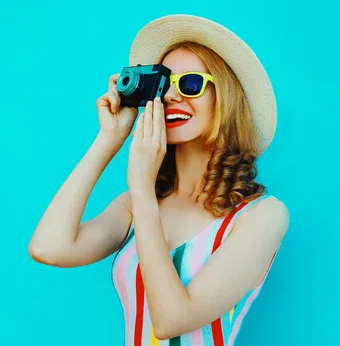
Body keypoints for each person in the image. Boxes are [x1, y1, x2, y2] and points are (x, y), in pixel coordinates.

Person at [28, 14, 290, 346]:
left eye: (191, 84)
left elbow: (170, 320)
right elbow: (49, 248)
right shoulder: (135, 204)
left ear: (225, 97)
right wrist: (109, 139)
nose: (170, 97)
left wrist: (142, 191)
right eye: (164, 85)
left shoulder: (261, 216)